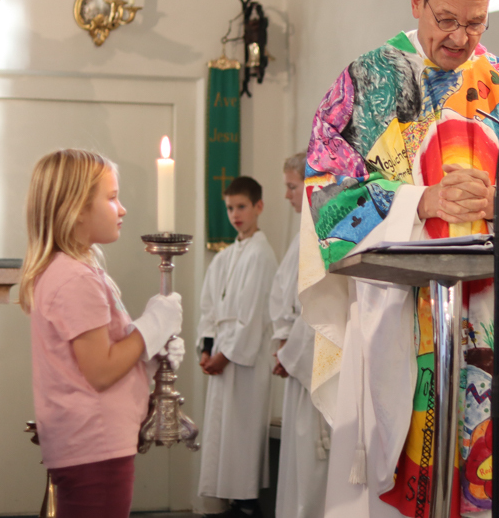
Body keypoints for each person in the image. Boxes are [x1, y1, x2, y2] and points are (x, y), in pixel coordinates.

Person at [299, 0, 499, 517]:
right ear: (417, 1)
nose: (459, 37)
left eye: (475, 23)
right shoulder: (368, 81)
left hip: (487, 318)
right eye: (446, 19)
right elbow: (327, 193)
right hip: (394, 311)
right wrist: (421, 201)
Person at [19, 148, 184, 518]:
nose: (122, 209)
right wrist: (151, 327)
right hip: (94, 443)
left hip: (92, 442)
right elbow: (101, 370)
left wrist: (152, 351)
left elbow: (103, 354)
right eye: (111, 198)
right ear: (76, 209)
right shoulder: (74, 278)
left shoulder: (75, 271)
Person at [197, 176, 279, 518]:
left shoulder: (261, 254)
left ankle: (246, 502)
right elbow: (208, 307)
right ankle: (229, 501)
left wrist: (225, 356)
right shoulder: (225, 257)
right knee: (222, 437)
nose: (235, 214)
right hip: (221, 357)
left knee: (242, 435)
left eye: (242, 207)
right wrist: (207, 349)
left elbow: (252, 315)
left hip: (245, 361)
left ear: (258, 207)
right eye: (230, 208)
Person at [271, 152, 330, 518]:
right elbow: (282, 296)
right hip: (297, 359)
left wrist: (287, 353)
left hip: (312, 362)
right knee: (297, 458)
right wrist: (284, 346)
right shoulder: (302, 236)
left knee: (312, 462)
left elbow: (317, 310)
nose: (287, 195)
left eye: (292, 187)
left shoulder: (323, 234)